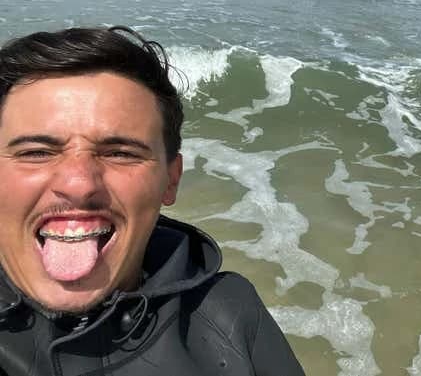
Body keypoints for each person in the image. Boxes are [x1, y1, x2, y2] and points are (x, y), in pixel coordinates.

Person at [0, 26, 306, 375]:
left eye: (120, 153)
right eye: (36, 152)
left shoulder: (230, 314)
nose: (79, 184)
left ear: (170, 179)